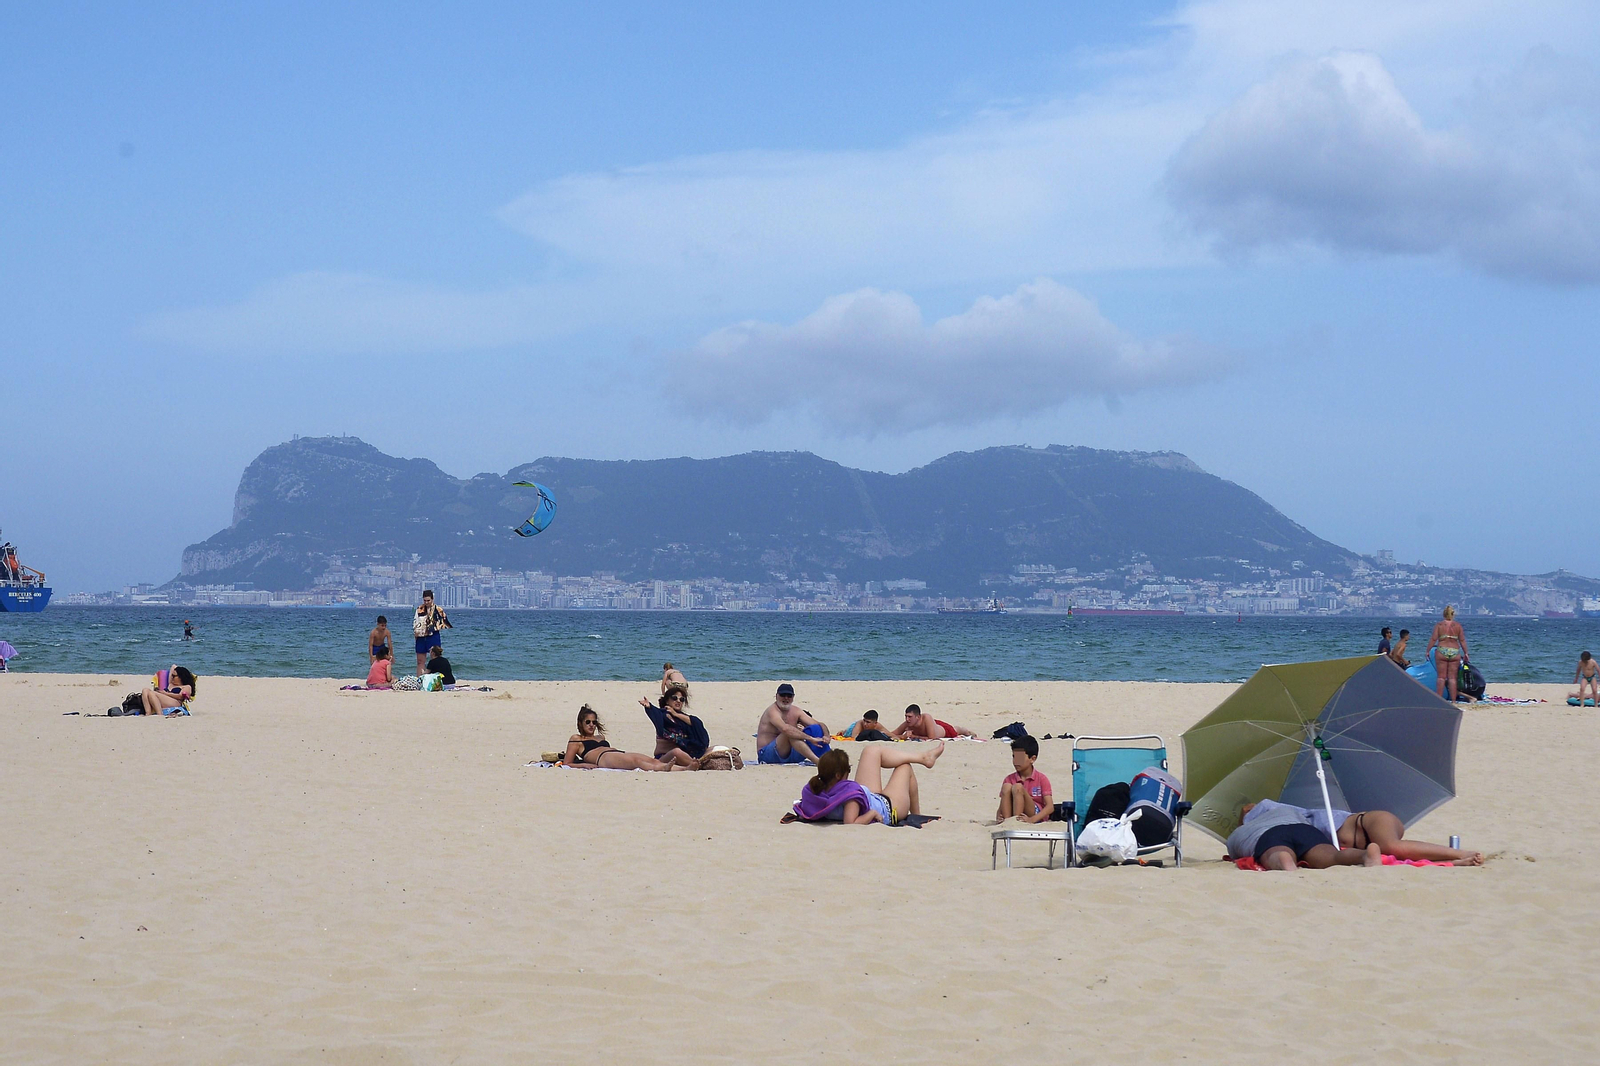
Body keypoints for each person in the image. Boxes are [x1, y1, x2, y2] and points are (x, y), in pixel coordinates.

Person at [1231, 799, 1483, 867]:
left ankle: (1460, 852)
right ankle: (1456, 860)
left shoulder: (1289, 812)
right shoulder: (1301, 821)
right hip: (1369, 829)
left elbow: (1252, 811)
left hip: (1369, 822)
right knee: (1393, 852)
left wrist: (1248, 815)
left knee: (1392, 848)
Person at [788, 742, 944, 825]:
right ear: (839, 775)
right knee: (904, 768)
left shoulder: (816, 788)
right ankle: (916, 816)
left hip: (870, 797)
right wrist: (872, 814)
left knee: (871, 751)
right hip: (887, 807)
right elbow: (851, 823)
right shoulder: (849, 796)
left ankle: (923, 757)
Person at [563, 705, 695, 771]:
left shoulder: (600, 736)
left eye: (594, 722)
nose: (591, 725)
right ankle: (666, 769)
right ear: (580, 723)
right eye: (588, 722)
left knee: (648, 759)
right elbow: (567, 763)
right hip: (603, 758)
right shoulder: (577, 739)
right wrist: (585, 764)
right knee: (636, 761)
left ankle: (684, 769)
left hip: (616, 753)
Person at [756, 683, 831, 765]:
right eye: (783, 695)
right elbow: (785, 729)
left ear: (793, 697)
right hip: (767, 755)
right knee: (790, 733)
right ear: (776, 696)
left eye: (789, 696)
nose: (786, 698)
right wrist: (810, 738)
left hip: (790, 753)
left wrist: (826, 736)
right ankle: (818, 761)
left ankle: (827, 758)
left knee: (815, 728)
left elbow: (820, 724)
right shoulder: (772, 711)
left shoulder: (796, 711)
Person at [641, 686, 709, 761]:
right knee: (676, 752)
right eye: (674, 698)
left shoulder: (683, 718)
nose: (678, 701)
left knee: (714, 749)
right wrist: (649, 707)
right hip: (666, 756)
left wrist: (676, 714)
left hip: (686, 755)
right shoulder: (662, 715)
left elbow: (696, 723)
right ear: (667, 701)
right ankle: (696, 765)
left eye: (682, 699)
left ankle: (693, 763)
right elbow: (655, 713)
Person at [996, 735, 1054, 823]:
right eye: (1014, 757)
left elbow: (1050, 807)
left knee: (1018, 787)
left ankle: (1016, 822)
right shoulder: (1009, 778)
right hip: (1012, 810)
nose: (1016, 761)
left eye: (1020, 758)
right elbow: (1002, 803)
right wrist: (999, 815)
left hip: (1034, 813)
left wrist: (1032, 819)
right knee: (1007, 787)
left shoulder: (1041, 778)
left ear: (1032, 759)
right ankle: (1008, 822)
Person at [1424, 606, 1469, 702]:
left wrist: (1428, 650)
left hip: (1442, 650)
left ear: (1444, 614)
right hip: (1454, 651)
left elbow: (1433, 639)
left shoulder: (1439, 625)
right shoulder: (1458, 626)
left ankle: (1439, 700)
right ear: (1453, 614)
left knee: (1441, 677)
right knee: (1452, 678)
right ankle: (1453, 701)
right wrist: (1466, 653)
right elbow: (1462, 640)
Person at [413, 590, 451, 673]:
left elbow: (445, 623)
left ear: (432, 599)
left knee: (436, 659)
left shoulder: (438, 610)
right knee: (420, 661)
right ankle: (420, 680)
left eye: (428, 600)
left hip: (433, 636)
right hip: (421, 637)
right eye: (425, 600)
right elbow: (416, 623)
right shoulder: (419, 609)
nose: (426, 602)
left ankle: (436, 679)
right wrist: (416, 636)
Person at [891, 704, 976, 741]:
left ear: (918, 717)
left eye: (910, 717)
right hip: (934, 725)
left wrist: (913, 736)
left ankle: (967, 731)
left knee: (956, 730)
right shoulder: (908, 723)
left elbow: (932, 738)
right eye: (906, 716)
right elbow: (891, 734)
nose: (907, 719)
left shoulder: (926, 718)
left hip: (944, 731)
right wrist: (903, 736)